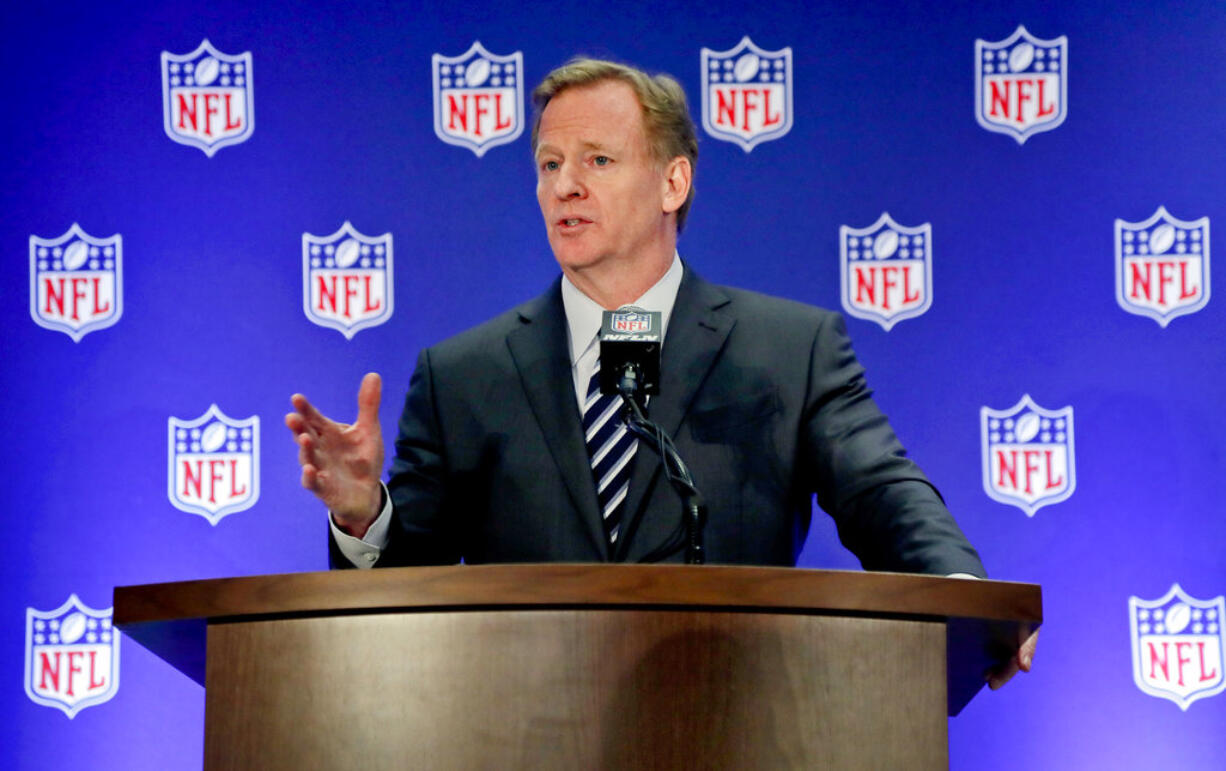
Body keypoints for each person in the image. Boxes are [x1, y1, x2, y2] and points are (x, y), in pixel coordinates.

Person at [286, 58, 1036, 688]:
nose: (564, 186)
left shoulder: (786, 349)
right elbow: (397, 594)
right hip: (521, 733)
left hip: (741, 720)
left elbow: (879, 490)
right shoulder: (462, 376)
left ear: (673, 183)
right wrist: (363, 514)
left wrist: (967, 599)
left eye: (597, 160)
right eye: (549, 164)